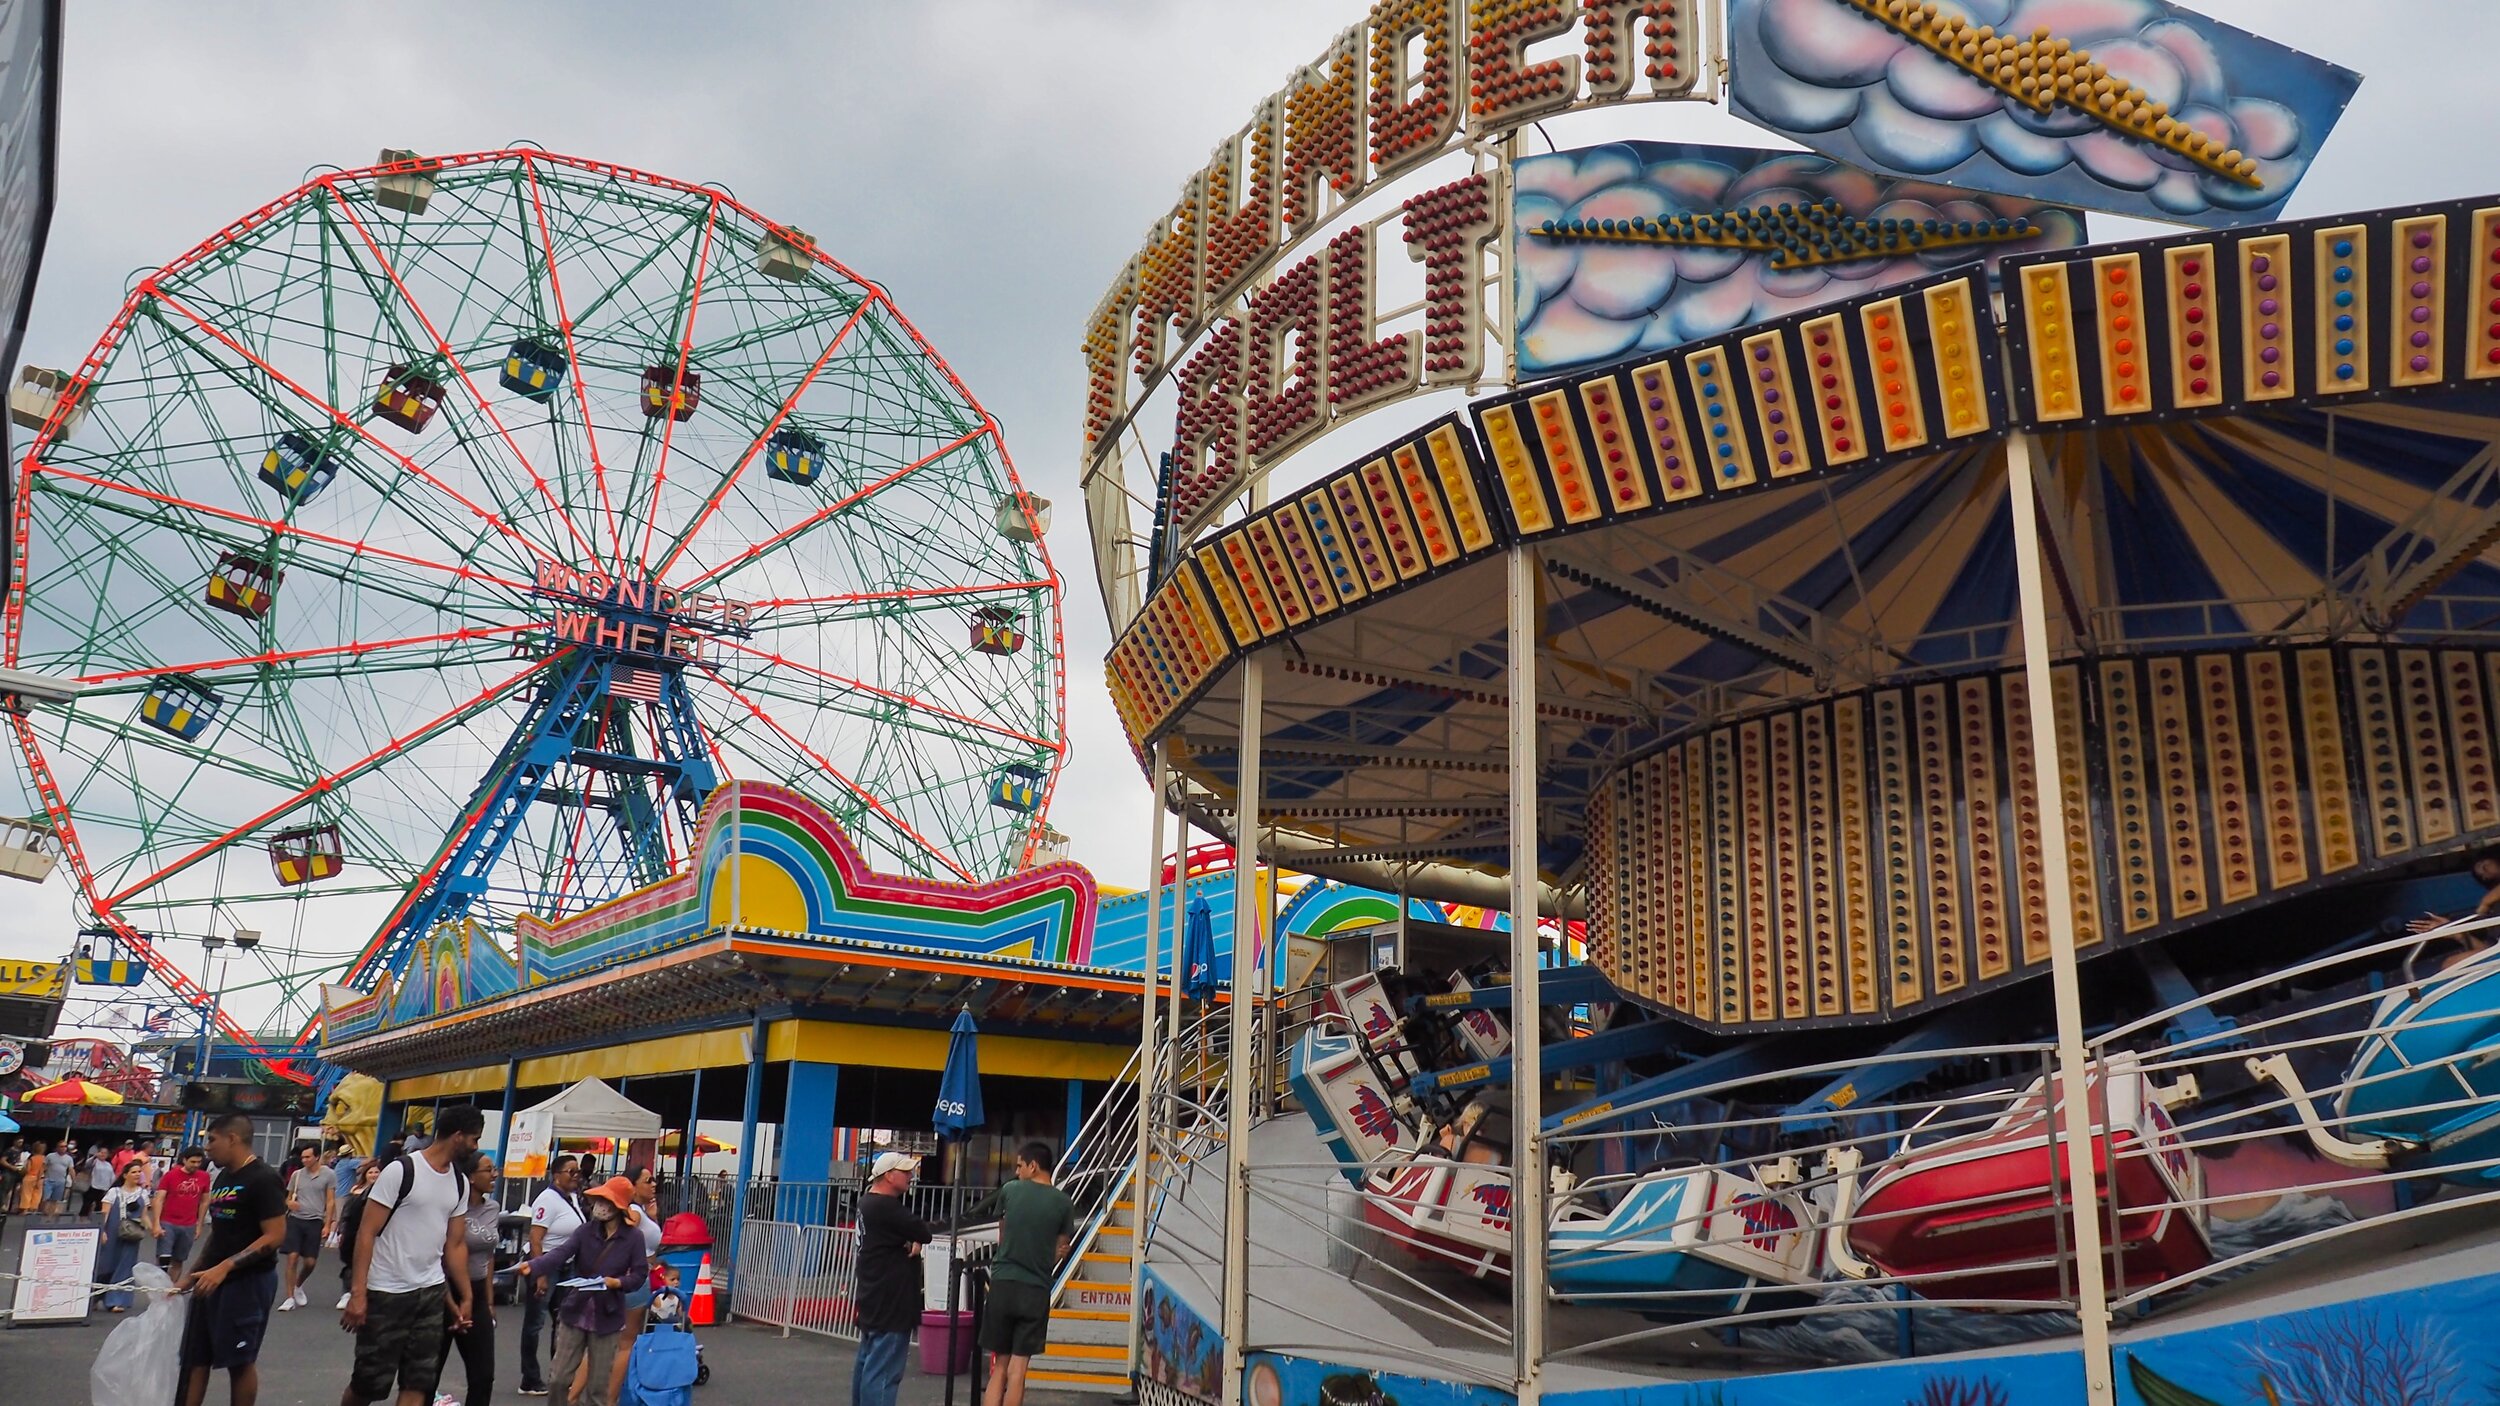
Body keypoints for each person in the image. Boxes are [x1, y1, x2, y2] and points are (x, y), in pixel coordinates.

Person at [342, 1104, 482, 1406]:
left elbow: (454, 1244)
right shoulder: (402, 1170)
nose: (475, 1146)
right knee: (369, 1384)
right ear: (458, 1136)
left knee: (419, 1382)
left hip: (430, 1293)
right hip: (386, 1292)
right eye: (474, 1139)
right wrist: (358, 1293)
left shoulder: (459, 1182)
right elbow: (367, 1232)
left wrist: (465, 1296)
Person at [177, 1112, 287, 1406]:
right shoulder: (224, 1176)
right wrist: (193, 1273)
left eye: (211, 1140)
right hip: (212, 1280)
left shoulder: (263, 1179)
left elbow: (275, 1236)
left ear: (233, 1139)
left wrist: (226, 1267)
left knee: (239, 1360)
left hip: (248, 1282)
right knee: (195, 1356)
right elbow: (220, 1234)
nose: (207, 1148)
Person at [525, 1175, 647, 1406]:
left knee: (597, 1388)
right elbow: (561, 1254)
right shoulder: (585, 1231)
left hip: (607, 1316)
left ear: (618, 1207)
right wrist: (532, 1266)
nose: (600, 1206)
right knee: (559, 1379)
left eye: (606, 1201)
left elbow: (639, 1275)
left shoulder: (633, 1238)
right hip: (575, 1310)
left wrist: (617, 1283)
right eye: (599, 1200)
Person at [978, 1142, 1075, 1406]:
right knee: (1018, 1371)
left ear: (1033, 1166)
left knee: (999, 1366)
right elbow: (1062, 1249)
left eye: (1020, 1165)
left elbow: (1002, 1233)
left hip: (1003, 1283)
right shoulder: (1064, 1203)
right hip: (1035, 1289)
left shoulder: (1010, 1191)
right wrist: (1047, 1257)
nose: (1017, 1172)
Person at [851, 1152, 932, 1406]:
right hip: (891, 1299)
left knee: (868, 1363)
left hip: (872, 1294)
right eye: (905, 1172)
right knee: (884, 1372)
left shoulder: (867, 1202)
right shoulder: (887, 1207)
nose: (910, 1176)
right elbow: (922, 1231)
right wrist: (912, 1240)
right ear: (889, 1176)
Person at [583, 1164, 664, 1401]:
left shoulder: (640, 1211)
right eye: (647, 1180)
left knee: (598, 1340)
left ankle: (574, 1394)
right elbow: (625, 1229)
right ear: (633, 1185)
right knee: (625, 1343)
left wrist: (652, 1218)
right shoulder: (632, 1212)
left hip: (623, 1278)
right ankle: (609, 1399)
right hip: (632, 1280)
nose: (653, 1184)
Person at [519, 1154, 587, 1396]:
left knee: (563, 1321)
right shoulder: (547, 1200)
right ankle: (529, 1377)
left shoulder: (571, 1197)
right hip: (547, 1263)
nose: (576, 1176)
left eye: (577, 1172)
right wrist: (540, 1273)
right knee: (535, 1323)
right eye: (571, 1172)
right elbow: (536, 1238)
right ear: (556, 1175)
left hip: (567, 1265)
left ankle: (559, 1374)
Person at [438, 1154, 502, 1406]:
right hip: (443, 1291)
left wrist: (488, 1300)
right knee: (428, 1373)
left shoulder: (492, 1208)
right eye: (489, 1170)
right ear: (471, 1177)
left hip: (476, 1292)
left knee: (483, 1375)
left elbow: (488, 1255)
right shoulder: (449, 1207)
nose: (495, 1174)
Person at [279, 1142, 337, 1310]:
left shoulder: (329, 1174)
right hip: (296, 1219)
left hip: (315, 1220)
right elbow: (288, 1198)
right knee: (292, 1257)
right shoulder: (297, 1175)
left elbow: (331, 1200)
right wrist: (290, 1203)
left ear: (317, 1157)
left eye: (307, 1157)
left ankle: (298, 1285)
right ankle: (289, 1298)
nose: (303, 1160)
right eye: (302, 1157)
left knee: (310, 1262)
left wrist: (328, 1224)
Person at [97, 1157, 156, 1312]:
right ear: (125, 1175)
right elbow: (105, 1213)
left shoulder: (143, 1194)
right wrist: (102, 1231)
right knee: (105, 1265)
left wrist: (153, 1228)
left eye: (139, 1172)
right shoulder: (113, 1192)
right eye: (133, 1172)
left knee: (125, 1266)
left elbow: (144, 1216)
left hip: (132, 1234)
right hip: (112, 1231)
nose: (137, 1175)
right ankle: (96, 1295)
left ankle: (116, 1300)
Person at [156, 1146, 216, 1269]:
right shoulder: (170, 1175)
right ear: (184, 1160)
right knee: (163, 1259)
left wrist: (199, 1225)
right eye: (192, 1162)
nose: (196, 1165)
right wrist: (156, 1223)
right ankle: (160, 1287)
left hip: (189, 1224)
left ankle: (172, 1288)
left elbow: (205, 1201)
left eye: (199, 1162)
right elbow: (159, 1199)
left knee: (179, 1260)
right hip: (168, 1222)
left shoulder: (204, 1177)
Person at [335, 1159, 383, 1309]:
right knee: (352, 1263)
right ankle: (347, 1292)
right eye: (371, 1172)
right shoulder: (356, 1191)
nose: (374, 1175)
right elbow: (346, 1214)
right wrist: (341, 1231)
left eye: (376, 1172)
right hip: (354, 1232)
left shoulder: (385, 1192)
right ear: (365, 1175)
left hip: (376, 1234)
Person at [84, 1142, 116, 1217]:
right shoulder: (95, 1161)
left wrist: (110, 1187)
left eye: (105, 1153)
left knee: (99, 1206)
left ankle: (95, 1220)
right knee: (87, 1204)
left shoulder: (108, 1165)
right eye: (101, 1152)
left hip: (104, 1188)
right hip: (94, 1186)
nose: (103, 1154)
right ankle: (83, 1220)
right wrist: (94, 1156)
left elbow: (112, 1177)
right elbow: (87, 1164)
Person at [42, 1139, 71, 1213]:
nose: (63, 1148)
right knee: (45, 1198)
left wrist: (74, 1180)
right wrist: (41, 1176)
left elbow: (71, 1169)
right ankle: (43, 1211)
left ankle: (51, 1213)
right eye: (61, 1146)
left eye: (65, 1146)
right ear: (57, 1147)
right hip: (49, 1180)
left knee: (55, 1200)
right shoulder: (50, 1156)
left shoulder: (69, 1158)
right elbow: (44, 1166)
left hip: (60, 1182)